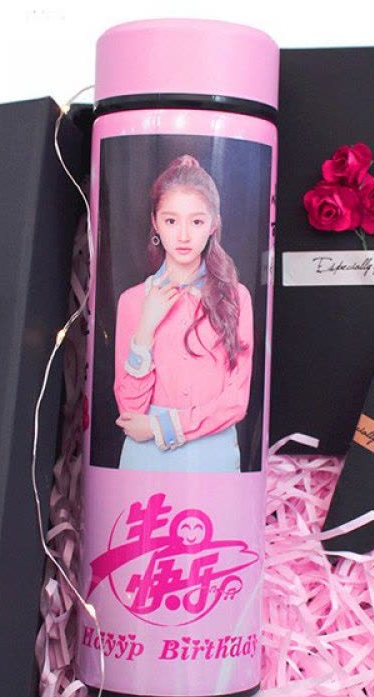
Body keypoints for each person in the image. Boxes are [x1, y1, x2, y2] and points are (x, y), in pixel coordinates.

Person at [113, 154, 254, 472]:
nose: (184, 236)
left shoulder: (235, 298)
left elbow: (235, 402)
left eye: (197, 221)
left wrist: (160, 427)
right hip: (145, 460)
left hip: (213, 455)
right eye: (171, 221)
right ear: (155, 222)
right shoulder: (133, 301)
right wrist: (146, 328)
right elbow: (129, 410)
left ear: (214, 224)